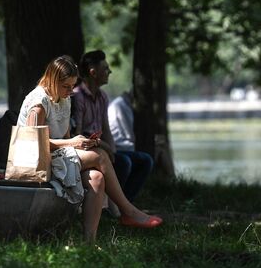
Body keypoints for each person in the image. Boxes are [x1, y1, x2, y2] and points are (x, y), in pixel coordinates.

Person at [17, 55, 162, 243]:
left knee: (97, 178)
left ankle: (89, 243)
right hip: (36, 161)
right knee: (100, 156)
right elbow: (34, 145)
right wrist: (72, 144)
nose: (71, 91)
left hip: (55, 156)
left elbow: (65, 138)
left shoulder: (63, 97)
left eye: (72, 86)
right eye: (67, 86)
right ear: (53, 80)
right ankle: (128, 211)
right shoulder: (39, 104)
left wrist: (81, 143)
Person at [73, 51, 153, 204]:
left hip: (103, 148)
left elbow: (106, 129)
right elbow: (78, 135)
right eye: (105, 68)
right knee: (124, 163)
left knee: (145, 160)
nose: (109, 72)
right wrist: (106, 150)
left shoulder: (102, 96)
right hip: (89, 150)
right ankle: (114, 206)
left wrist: (112, 152)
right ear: (93, 72)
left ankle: (125, 203)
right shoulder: (78, 97)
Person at [108, 90, 154, 202]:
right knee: (128, 161)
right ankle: (123, 201)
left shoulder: (121, 104)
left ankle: (126, 202)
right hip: (119, 147)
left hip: (118, 146)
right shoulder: (121, 106)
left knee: (146, 159)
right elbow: (130, 135)